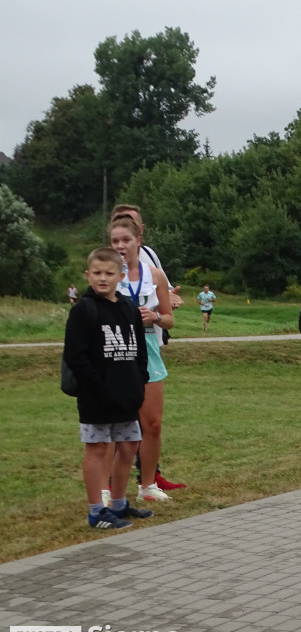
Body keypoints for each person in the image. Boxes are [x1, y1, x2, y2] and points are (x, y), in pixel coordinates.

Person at [63, 247, 153, 529]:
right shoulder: (83, 311)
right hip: (96, 397)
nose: (103, 278)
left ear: (120, 275)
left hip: (127, 393)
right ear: (88, 276)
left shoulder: (128, 308)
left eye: (109, 273)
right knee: (98, 448)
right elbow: (75, 356)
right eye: (97, 273)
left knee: (128, 447)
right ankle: (96, 511)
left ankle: (118, 503)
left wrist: (139, 382)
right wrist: (98, 388)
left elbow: (139, 350)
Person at [109, 204, 186, 492]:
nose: (120, 246)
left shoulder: (154, 273)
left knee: (151, 424)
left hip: (148, 352)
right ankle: (108, 490)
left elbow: (168, 320)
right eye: (115, 241)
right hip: (115, 355)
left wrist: (154, 316)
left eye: (126, 240)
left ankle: (149, 485)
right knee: (115, 427)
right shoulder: (106, 274)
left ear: (138, 240)